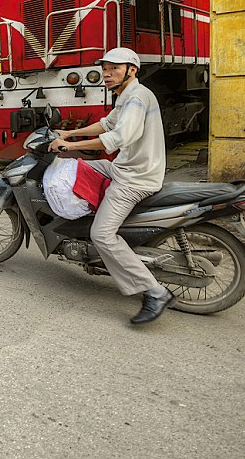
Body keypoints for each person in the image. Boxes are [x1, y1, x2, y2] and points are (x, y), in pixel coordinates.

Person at [48, 47, 171, 325]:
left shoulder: (138, 97)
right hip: (124, 167)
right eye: (105, 68)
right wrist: (70, 132)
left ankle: (154, 291)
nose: (107, 73)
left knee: (102, 235)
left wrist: (71, 145)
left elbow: (118, 137)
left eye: (114, 68)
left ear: (132, 70)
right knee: (77, 168)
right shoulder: (126, 96)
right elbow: (106, 124)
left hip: (135, 178)